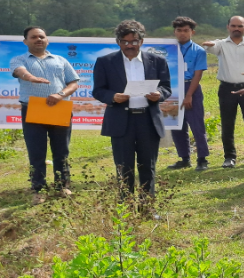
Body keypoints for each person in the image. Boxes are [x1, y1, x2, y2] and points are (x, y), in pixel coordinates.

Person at [92, 20, 172, 196]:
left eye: (134, 41)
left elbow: (166, 87)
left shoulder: (157, 61)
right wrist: (113, 97)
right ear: (118, 42)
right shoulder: (106, 62)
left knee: (148, 166)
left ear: (142, 41)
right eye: (125, 42)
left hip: (148, 120)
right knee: (123, 167)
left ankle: (147, 207)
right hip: (121, 121)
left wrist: (159, 94)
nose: (130, 45)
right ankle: (126, 208)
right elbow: (98, 90)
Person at [10, 26, 81, 201]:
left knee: (61, 150)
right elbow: (19, 71)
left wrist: (60, 94)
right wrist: (30, 78)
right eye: (34, 37)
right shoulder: (19, 59)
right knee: (36, 152)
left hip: (59, 107)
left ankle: (62, 186)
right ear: (25, 41)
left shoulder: (60, 60)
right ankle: (38, 190)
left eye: (41, 36)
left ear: (47, 40)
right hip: (33, 109)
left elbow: (73, 83)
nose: (38, 39)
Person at [203, 16, 244, 168]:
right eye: (233, 26)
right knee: (227, 124)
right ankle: (229, 157)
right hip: (227, 88)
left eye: (240, 26)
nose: (236, 29)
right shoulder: (221, 45)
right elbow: (210, 47)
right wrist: (208, 44)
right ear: (228, 27)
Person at [168, 16, 210, 171]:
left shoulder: (198, 51)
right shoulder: (168, 50)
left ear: (192, 32)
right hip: (172, 89)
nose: (182, 34)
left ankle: (202, 158)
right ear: (175, 32)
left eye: (186, 30)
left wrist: (189, 95)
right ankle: (184, 158)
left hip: (190, 88)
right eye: (179, 30)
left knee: (196, 125)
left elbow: (197, 75)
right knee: (177, 126)